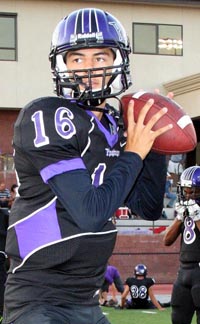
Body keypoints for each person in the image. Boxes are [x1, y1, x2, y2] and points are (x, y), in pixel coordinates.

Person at [3, 8, 173, 324]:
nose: (89, 68)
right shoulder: (49, 116)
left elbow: (148, 207)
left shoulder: (116, 125)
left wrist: (155, 142)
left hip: (87, 299)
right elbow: (91, 213)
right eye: (77, 58)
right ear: (62, 64)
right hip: (38, 297)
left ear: (117, 61)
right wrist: (134, 153)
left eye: (100, 57)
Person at [163, 166, 200, 324]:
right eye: (185, 190)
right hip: (184, 270)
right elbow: (166, 240)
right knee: (178, 318)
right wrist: (179, 217)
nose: (188, 195)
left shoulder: (195, 210)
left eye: (192, 191)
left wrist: (197, 216)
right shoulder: (186, 209)